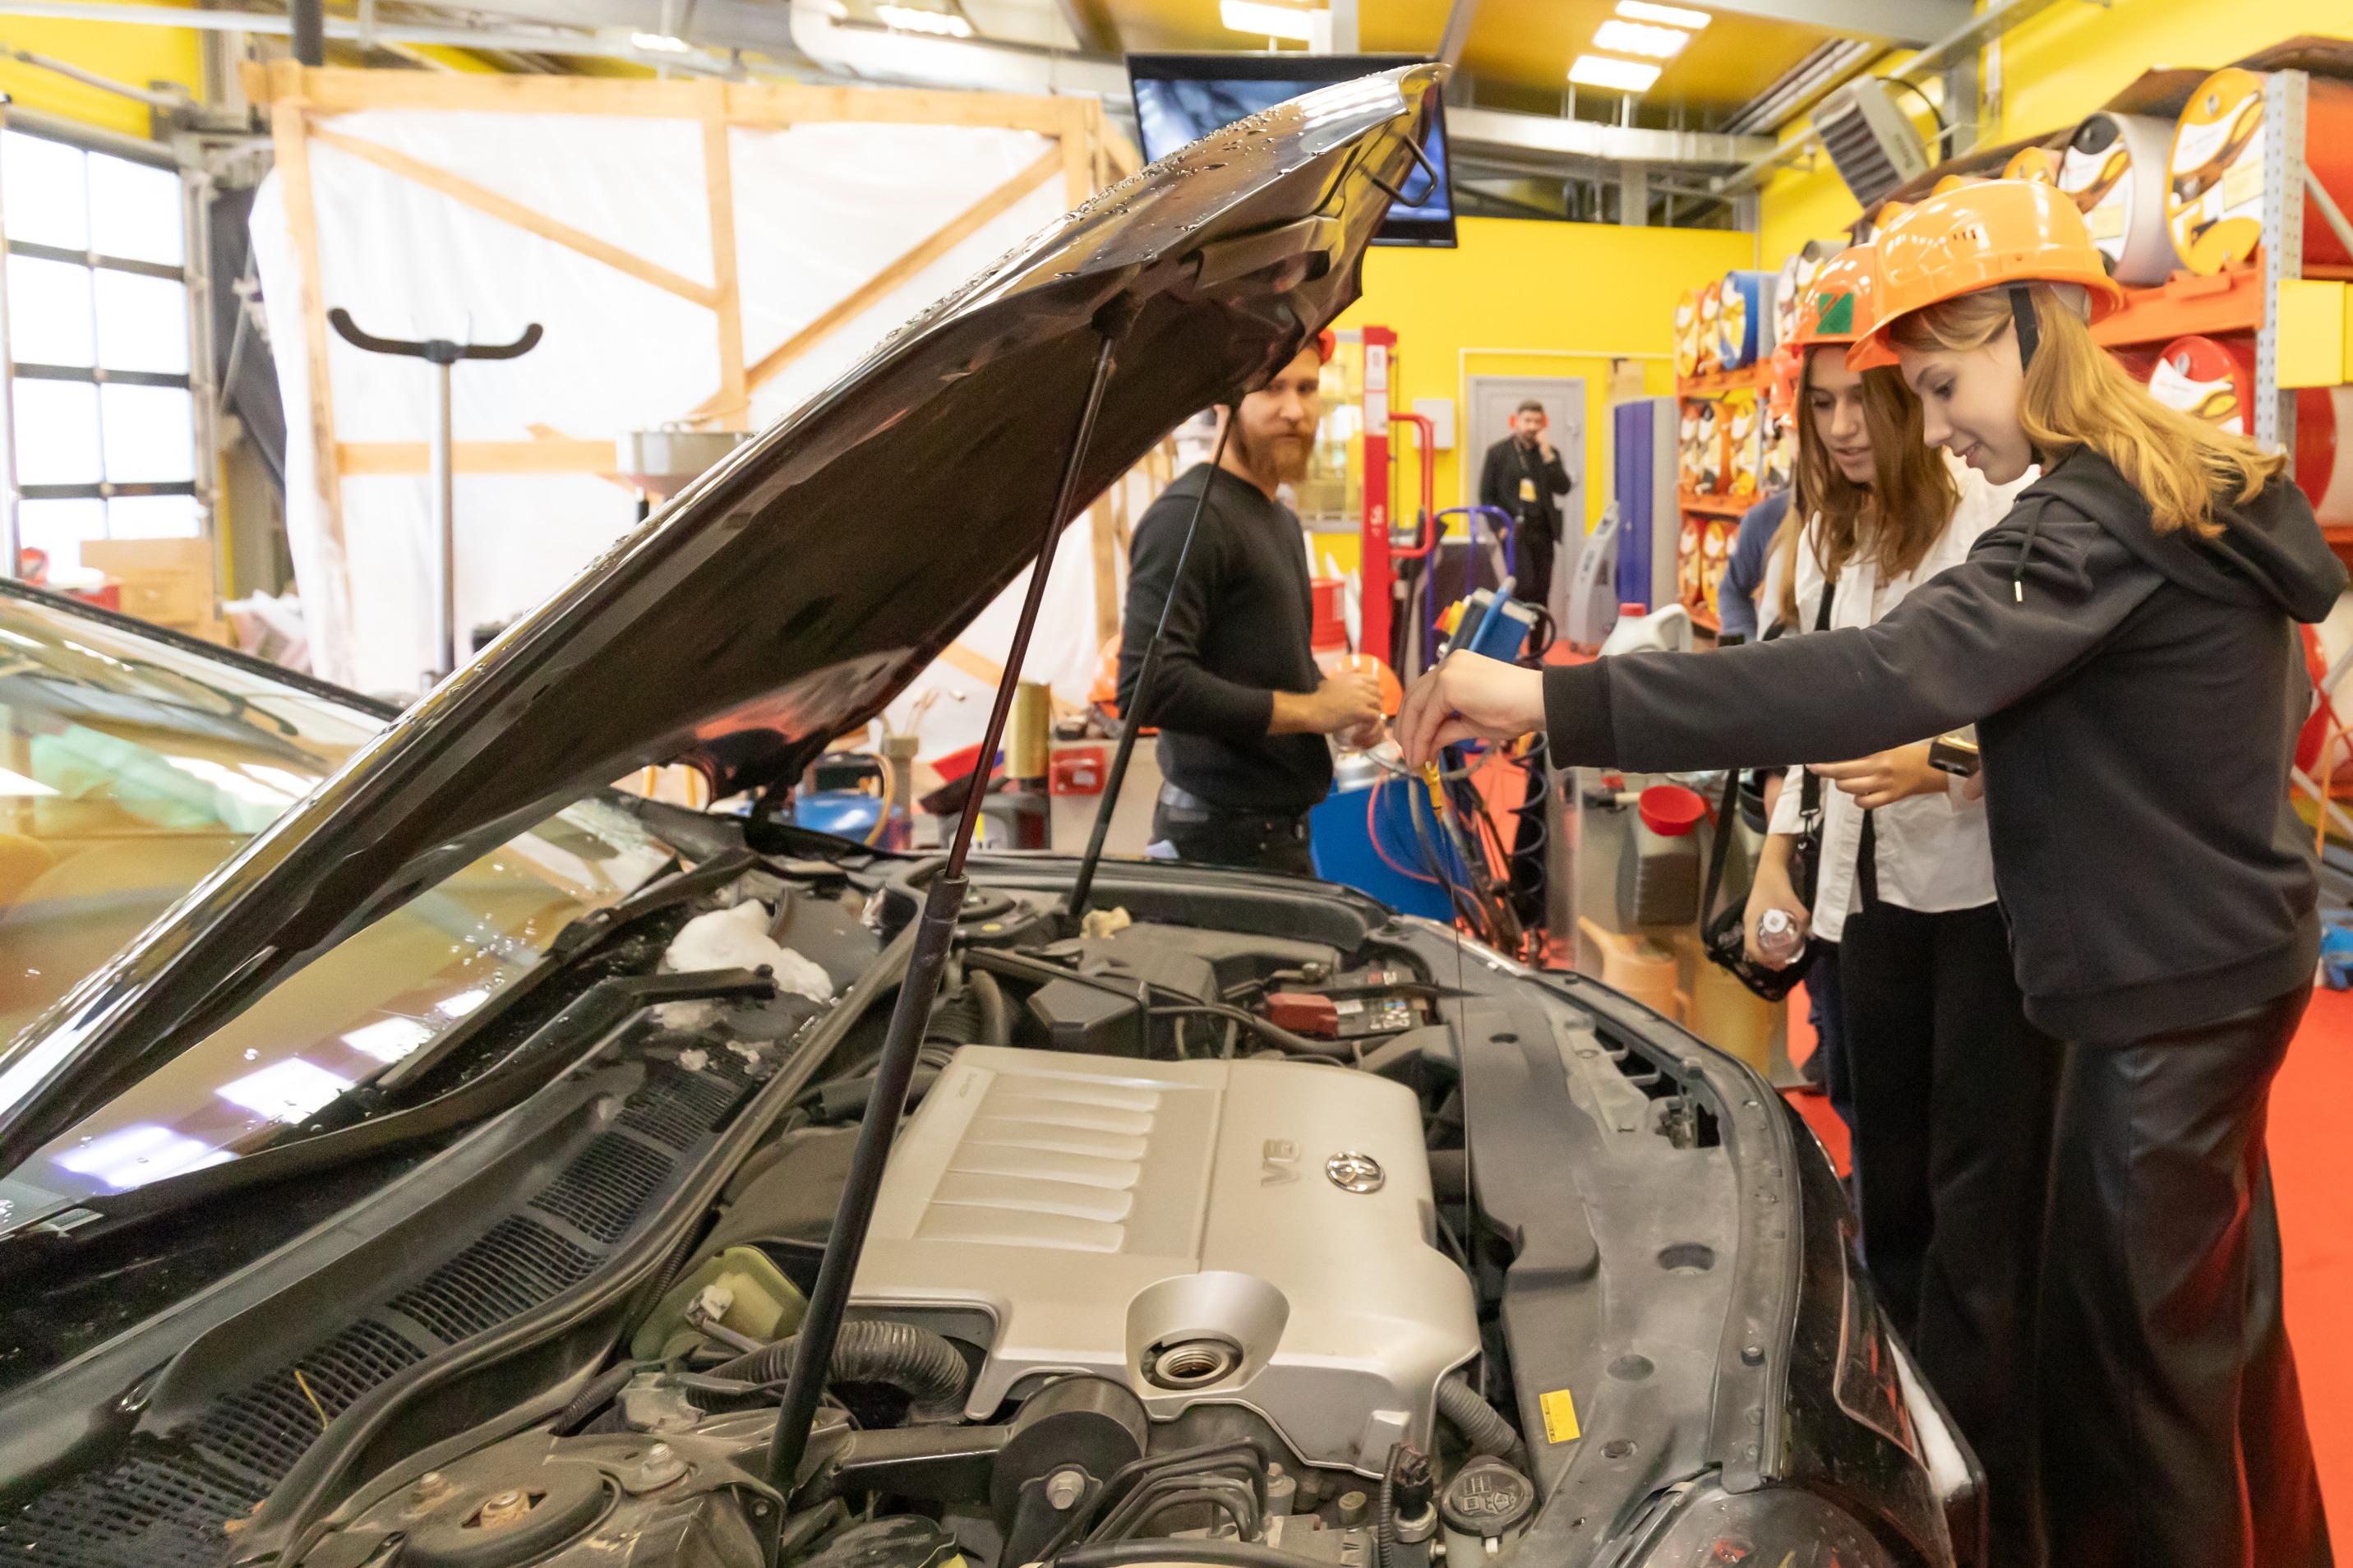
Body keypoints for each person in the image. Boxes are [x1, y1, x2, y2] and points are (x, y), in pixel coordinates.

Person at [1397, 180, 2338, 1568]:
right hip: (2205, 971)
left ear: (2041, 327)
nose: (1937, 420)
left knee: (2135, 1382)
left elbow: (1881, 673)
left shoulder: (2088, 520)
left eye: (1946, 379)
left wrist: (1552, 702)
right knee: (2217, 1343)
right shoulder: (2177, 482)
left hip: (2158, 998)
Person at [1736, 242, 2053, 1566]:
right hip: (1858, 903)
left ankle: (1973, 1491)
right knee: (1883, 1185)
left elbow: (2045, 714)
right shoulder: (1819, 537)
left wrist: (1944, 762)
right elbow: (1798, 711)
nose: (1845, 427)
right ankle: (1900, 1435)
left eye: (1863, 396)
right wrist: (1773, 847)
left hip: (1976, 906)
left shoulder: (1999, 514)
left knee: (1978, 1211)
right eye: (1819, 403)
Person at [1117, 337, 1383, 875]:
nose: (1294, 410)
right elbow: (1147, 684)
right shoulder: (1189, 518)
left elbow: (1269, 661)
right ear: (1225, 402)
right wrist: (1311, 710)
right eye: (1272, 389)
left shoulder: (1276, 518)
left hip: (1274, 834)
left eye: (1307, 389)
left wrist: (1335, 715)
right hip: (1218, 843)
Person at [1477, 399, 1572, 608]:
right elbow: (1486, 495)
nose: (1532, 427)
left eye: (1537, 422)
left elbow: (1563, 487)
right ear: (1516, 421)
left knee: (1541, 589)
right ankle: (1517, 638)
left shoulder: (1548, 453)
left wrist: (1548, 457)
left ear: (1543, 424)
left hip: (1544, 532)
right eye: (1527, 421)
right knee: (1523, 586)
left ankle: (1537, 641)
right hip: (1514, 531)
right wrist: (1499, 528)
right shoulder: (1498, 453)